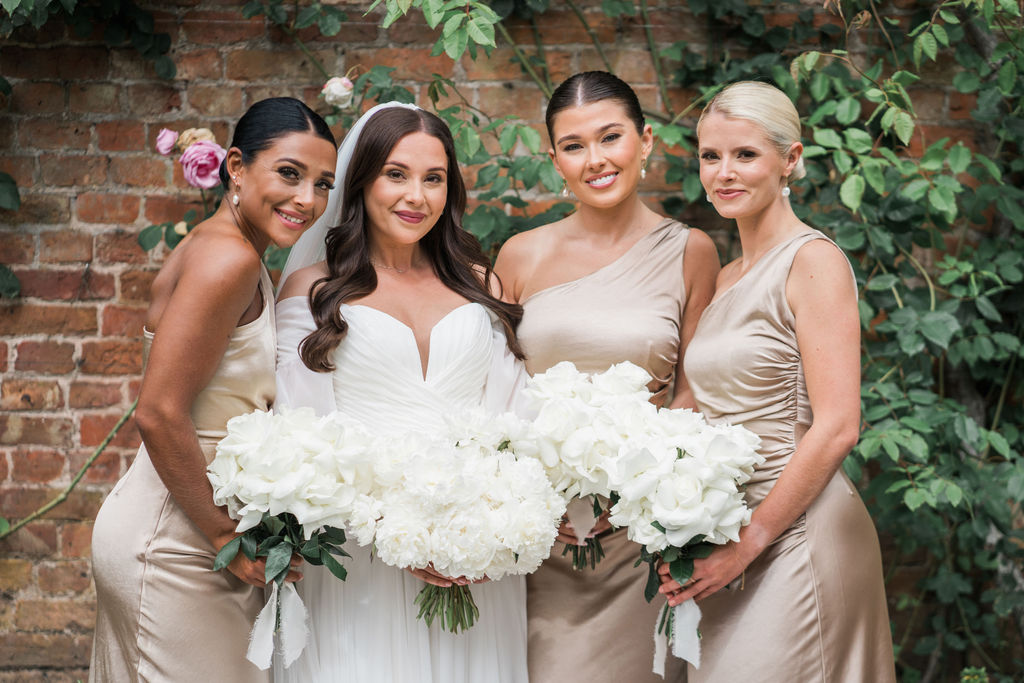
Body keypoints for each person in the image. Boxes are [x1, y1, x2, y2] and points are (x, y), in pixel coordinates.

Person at [272, 102, 530, 683]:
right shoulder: (315, 290)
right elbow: (299, 432)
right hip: (359, 555)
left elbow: (516, 417)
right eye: (397, 174)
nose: (417, 195)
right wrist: (397, 528)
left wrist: (493, 524)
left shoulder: (479, 285)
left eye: (433, 178)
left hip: (472, 559)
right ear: (360, 181)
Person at [89, 98, 338, 682]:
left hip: (185, 526)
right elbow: (158, 412)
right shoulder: (227, 259)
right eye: (289, 173)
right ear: (235, 167)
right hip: (177, 542)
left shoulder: (228, 248)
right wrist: (229, 538)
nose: (307, 198)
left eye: (323, 183)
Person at [656, 80, 896, 681]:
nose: (724, 173)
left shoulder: (813, 261)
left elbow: (839, 425)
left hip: (795, 531)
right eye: (711, 156)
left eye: (745, 155)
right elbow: (695, 401)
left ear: (791, 159)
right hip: (721, 531)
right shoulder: (728, 272)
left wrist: (751, 541)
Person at [494, 71, 719, 683]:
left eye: (610, 137)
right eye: (573, 145)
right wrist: (527, 497)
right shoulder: (520, 254)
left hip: (636, 532)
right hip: (538, 533)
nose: (595, 160)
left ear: (645, 142)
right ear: (554, 159)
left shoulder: (691, 250)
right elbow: (492, 388)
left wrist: (650, 488)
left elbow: (695, 387)